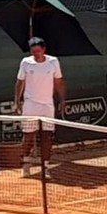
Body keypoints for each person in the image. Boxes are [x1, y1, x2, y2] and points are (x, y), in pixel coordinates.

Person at [13, 37, 66, 179]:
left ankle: (45, 167)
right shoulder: (25, 62)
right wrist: (17, 101)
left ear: (44, 49)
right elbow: (20, 82)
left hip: (47, 105)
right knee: (28, 136)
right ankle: (26, 163)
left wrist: (62, 100)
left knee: (47, 136)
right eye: (33, 51)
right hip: (30, 105)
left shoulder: (53, 62)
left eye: (38, 51)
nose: (36, 54)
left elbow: (59, 82)